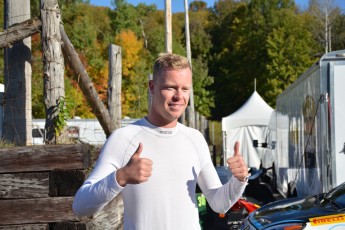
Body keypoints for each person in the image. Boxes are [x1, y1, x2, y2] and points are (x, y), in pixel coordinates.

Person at [72, 53, 249, 230]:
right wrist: (121, 176)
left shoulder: (195, 139)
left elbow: (219, 203)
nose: (179, 96)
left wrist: (238, 180)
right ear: (152, 87)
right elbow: (80, 207)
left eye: (185, 89)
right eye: (170, 87)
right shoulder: (124, 138)